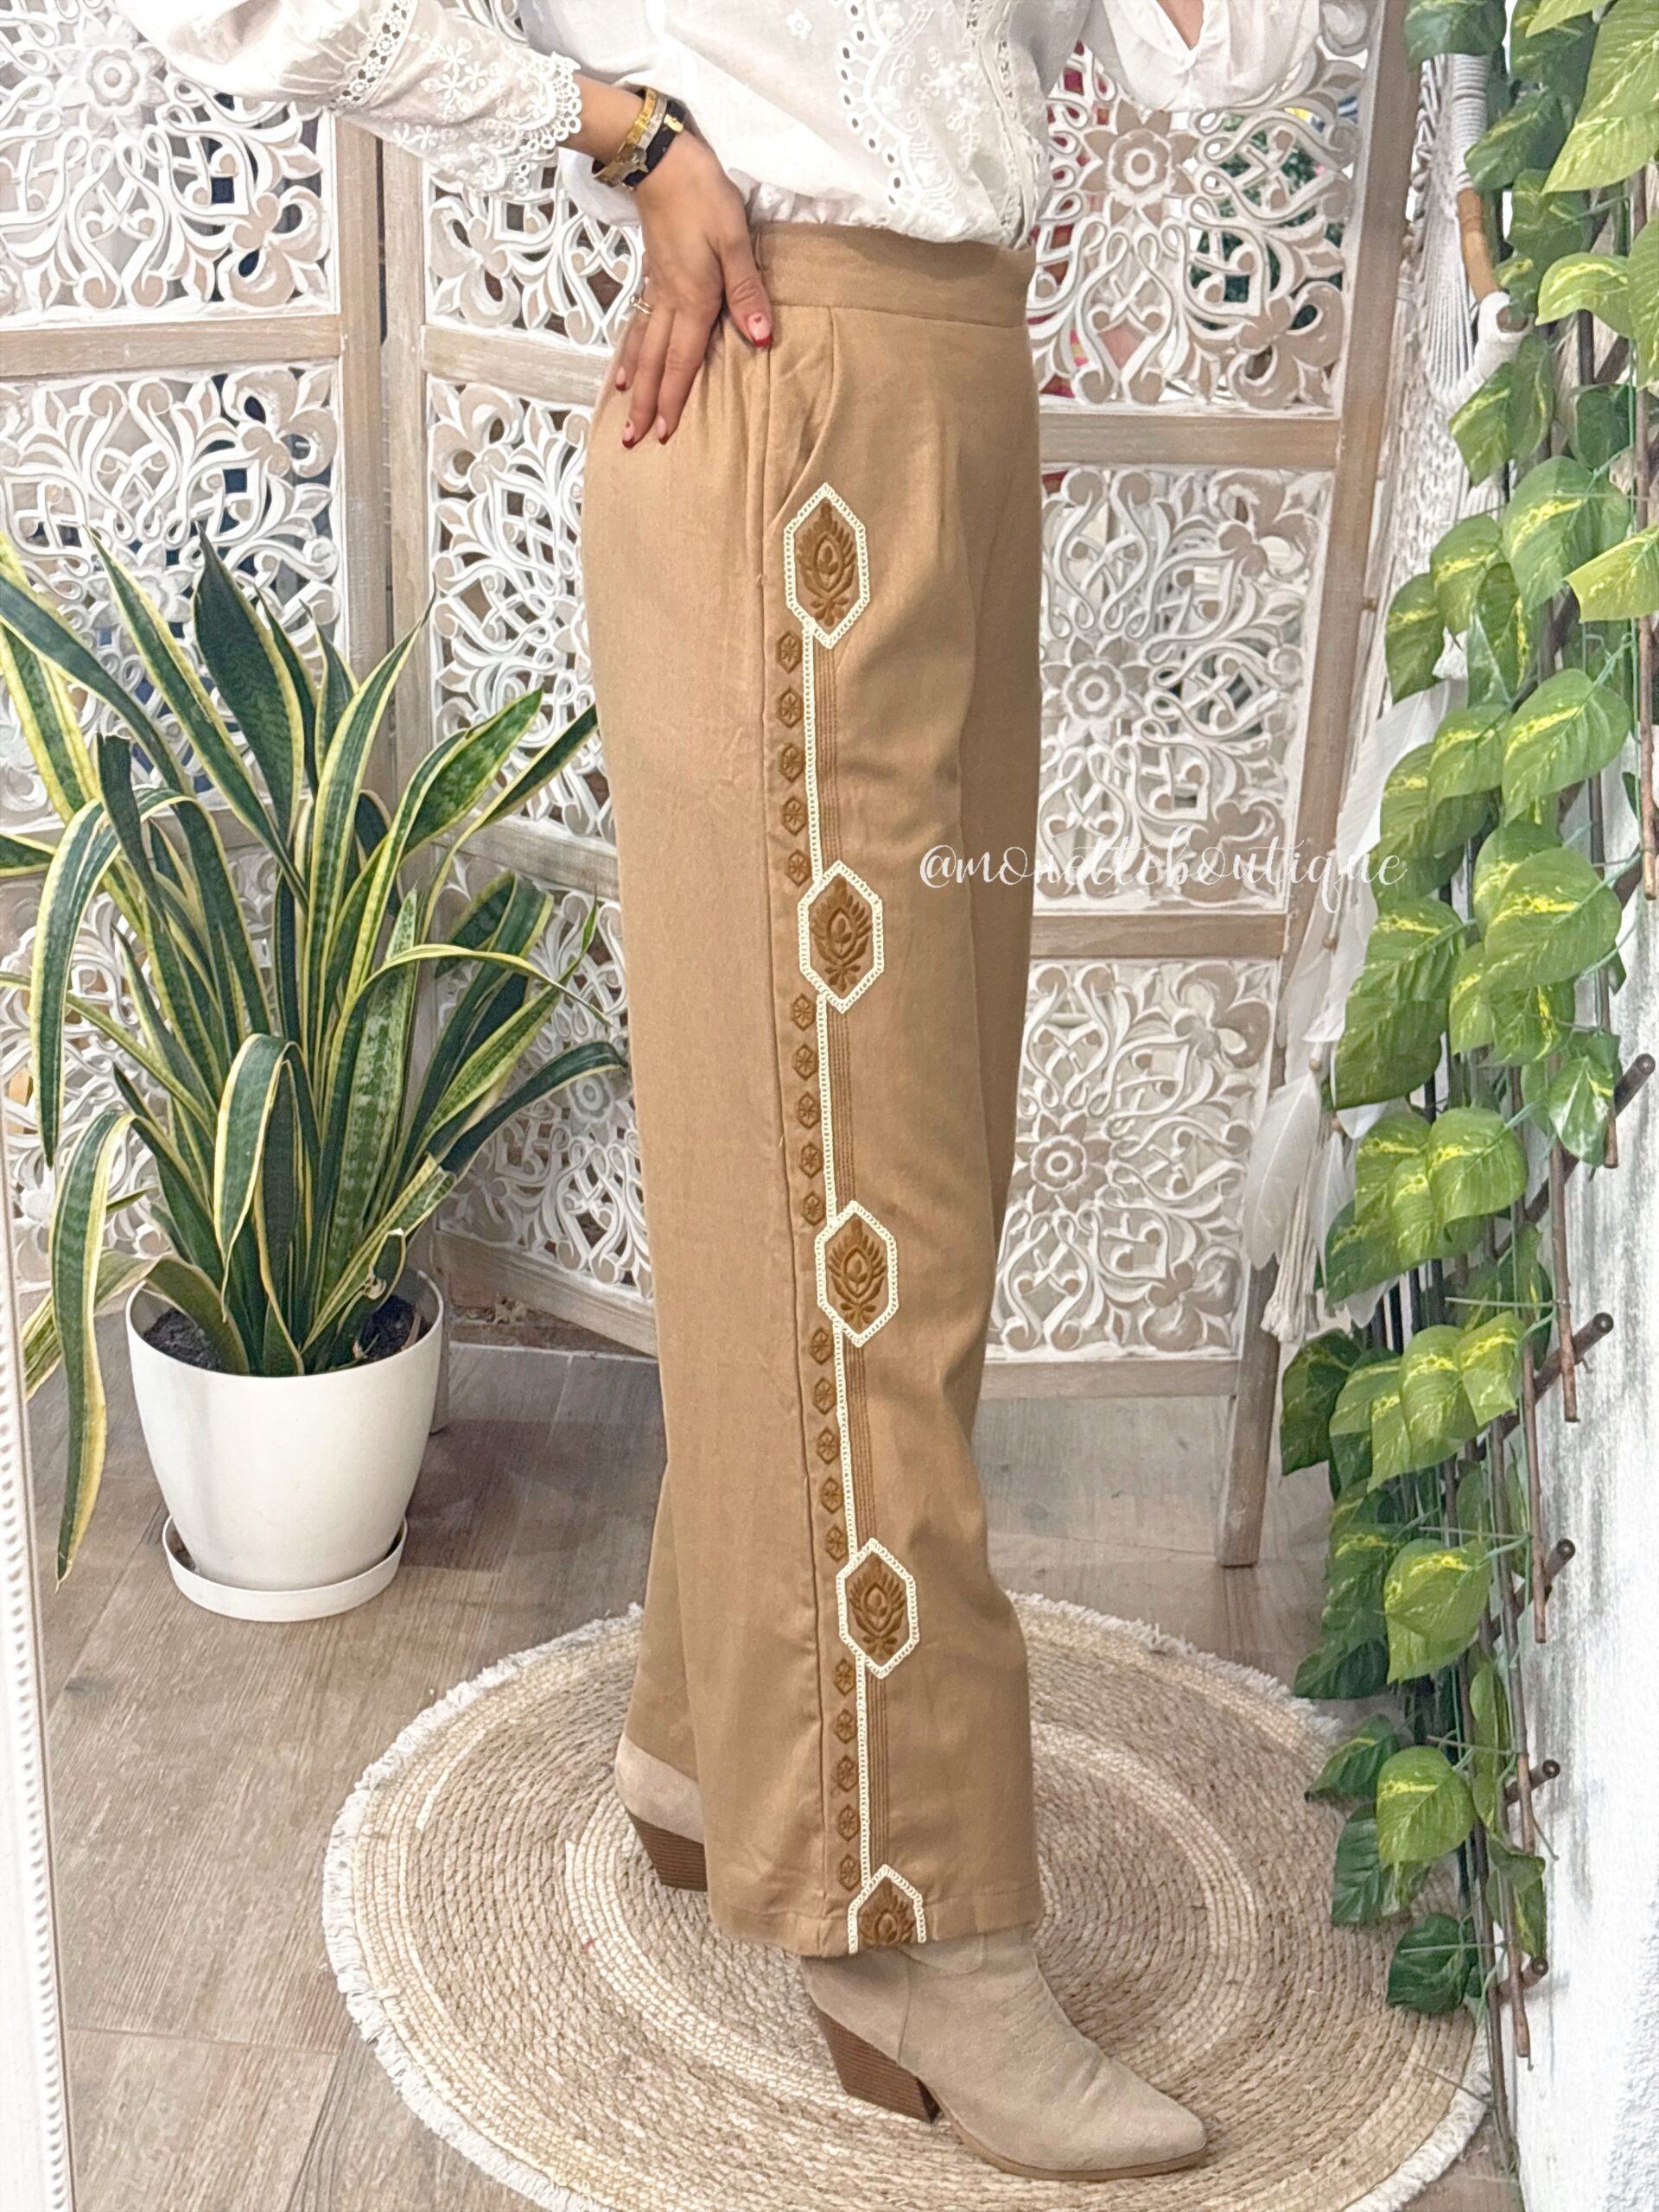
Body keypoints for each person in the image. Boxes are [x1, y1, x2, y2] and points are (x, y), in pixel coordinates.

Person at [110, 0, 1319, 2180]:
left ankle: (704, 1733)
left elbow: (1215, 57)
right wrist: (617, 125)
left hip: (952, 390)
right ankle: (910, 1919)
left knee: (877, 1150)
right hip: (785, 387)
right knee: (873, 1211)